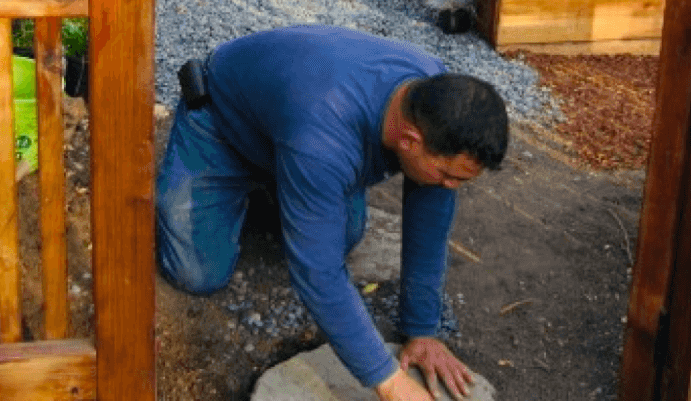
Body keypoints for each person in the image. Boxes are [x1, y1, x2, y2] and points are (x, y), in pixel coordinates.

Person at [157, 25, 509, 401]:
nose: (451, 187)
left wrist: (423, 331)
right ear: (409, 140)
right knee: (196, 272)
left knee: (345, 234)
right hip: (221, 125)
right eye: (448, 175)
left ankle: (286, 186)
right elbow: (317, 273)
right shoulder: (323, 136)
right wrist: (390, 382)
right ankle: (241, 182)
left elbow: (430, 225)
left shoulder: (436, 106)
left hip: (293, 130)